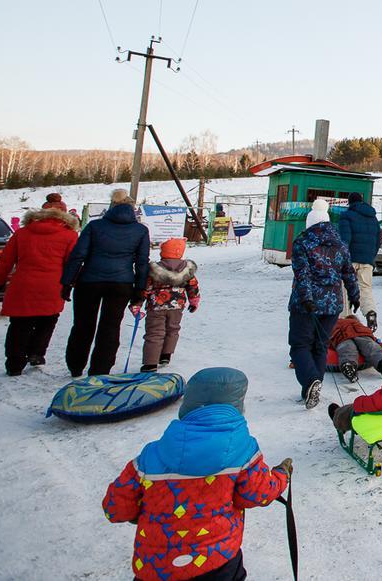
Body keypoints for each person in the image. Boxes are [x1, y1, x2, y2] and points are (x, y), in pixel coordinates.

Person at [103, 367, 290, 581]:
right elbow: (257, 493)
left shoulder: (150, 456)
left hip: (156, 567)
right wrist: (281, 475)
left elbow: (115, 509)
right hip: (218, 561)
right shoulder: (242, 451)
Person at [62, 188, 151, 377]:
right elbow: (142, 262)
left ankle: (76, 365)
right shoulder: (140, 230)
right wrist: (140, 289)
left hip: (89, 282)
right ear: (132, 208)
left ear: (111, 206)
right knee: (110, 327)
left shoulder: (95, 227)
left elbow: (78, 255)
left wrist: (67, 282)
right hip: (121, 283)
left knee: (82, 325)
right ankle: (100, 369)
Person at [0, 205, 79, 375]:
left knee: (19, 325)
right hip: (52, 286)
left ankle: (14, 363)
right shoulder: (69, 235)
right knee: (47, 321)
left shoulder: (22, 233)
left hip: (23, 286)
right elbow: (71, 263)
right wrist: (70, 283)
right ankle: (36, 352)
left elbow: (6, 261)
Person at [289, 198, 359, 409]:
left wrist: (307, 298)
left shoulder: (302, 242)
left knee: (300, 346)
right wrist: (355, 296)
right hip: (332, 303)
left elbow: (303, 275)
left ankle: (311, 382)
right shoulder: (340, 243)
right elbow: (349, 273)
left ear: (310, 223)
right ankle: (311, 391)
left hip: (306, 304)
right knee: (319, 346)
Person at [135, 237, 201, 372]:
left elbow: (146, 287)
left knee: (154, 332)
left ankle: (150, 363)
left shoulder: (155, 269)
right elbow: (193, 286)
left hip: (156, 305)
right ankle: (166, 355)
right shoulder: (187, 269)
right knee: (173, 329)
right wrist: (194, 301)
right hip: (177, 306)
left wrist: (138, 302)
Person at [336, 191, 381, 330]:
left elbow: (345, 240)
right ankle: (370, 312)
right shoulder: (373, 218)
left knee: (345, 289)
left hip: (350, 260)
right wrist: (370, 257)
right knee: (365, 288)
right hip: (367, 260)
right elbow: (377, 241)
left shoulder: (346, 216)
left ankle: (345, 320)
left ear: (349, 202)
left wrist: (342, 260)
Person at [329, 314, 382, 382]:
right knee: (368, 346)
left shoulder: (352, 322)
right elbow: (376, 342)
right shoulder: (336, 322)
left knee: (349, 349)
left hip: (350, 335)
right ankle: (349, 367)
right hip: (349, 335)